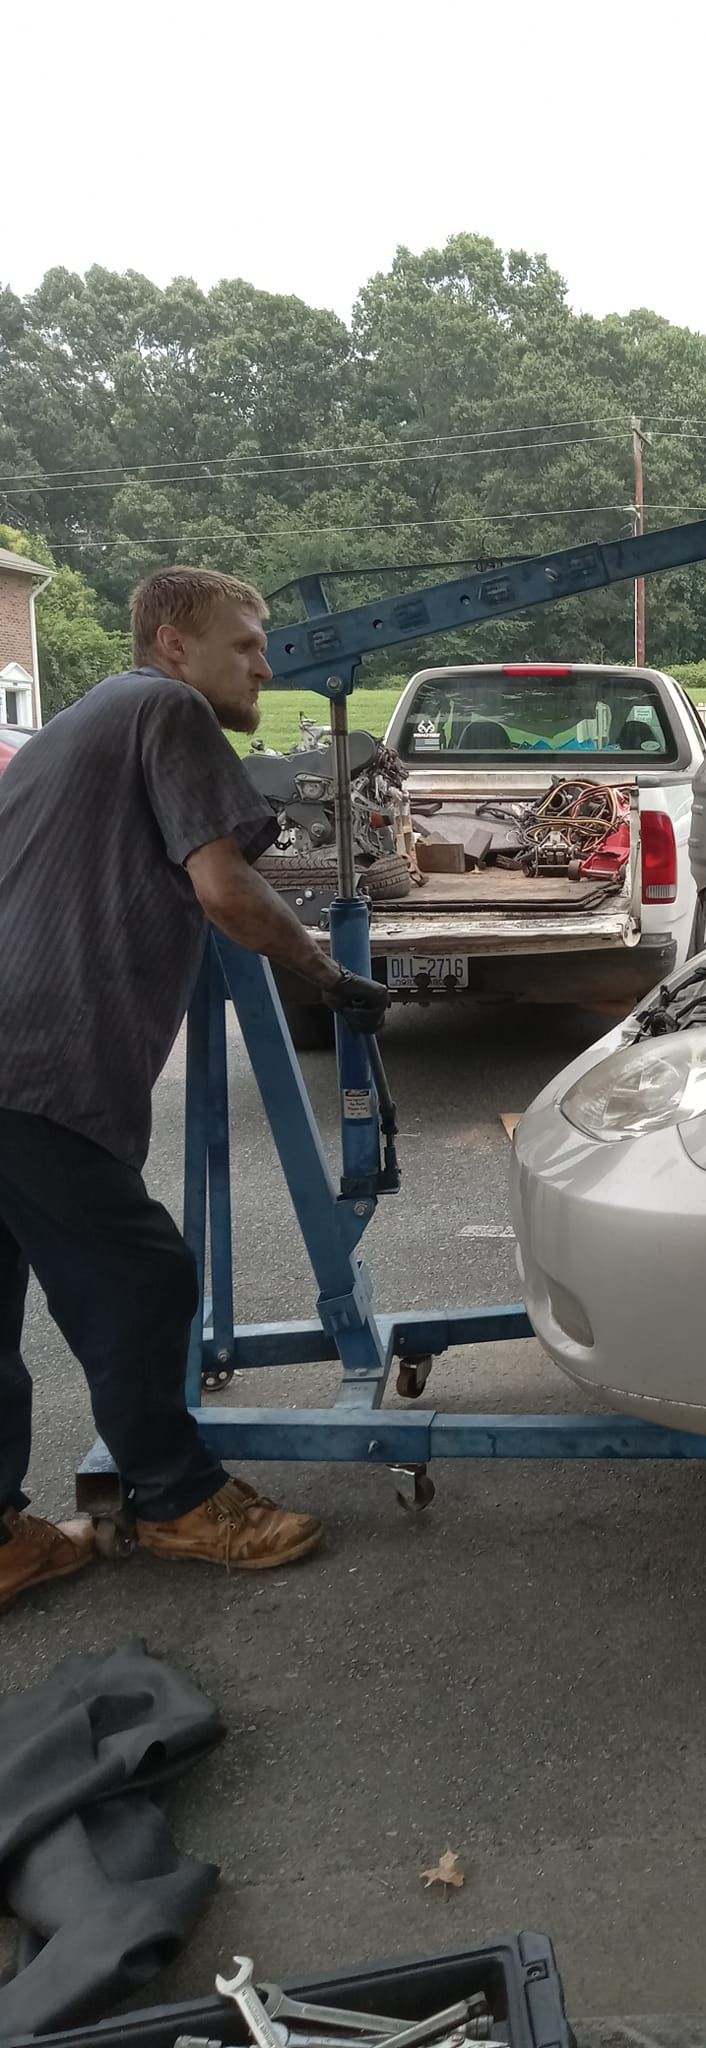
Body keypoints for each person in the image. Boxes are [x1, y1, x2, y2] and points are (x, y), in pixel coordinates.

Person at [0, 566, 391, 1613]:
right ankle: (177, 1498)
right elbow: (224, 885)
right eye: (247, 643)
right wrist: (330, 976)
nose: (265, 665)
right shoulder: (166, 709)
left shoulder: (78, 723)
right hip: (35, 1059)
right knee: (142, 1278)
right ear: (174, 645)